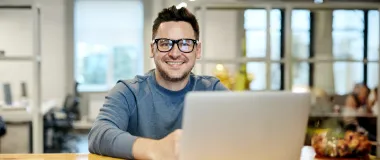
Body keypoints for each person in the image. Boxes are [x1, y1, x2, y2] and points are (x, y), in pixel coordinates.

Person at [88, 6, 228, 160]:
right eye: (165, 43)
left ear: (198, 50)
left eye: (186, 44)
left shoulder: (213, 91)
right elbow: (99, 134)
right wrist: (156, 149)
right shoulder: (128, 91)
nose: (175, 53)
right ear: (152, 49)